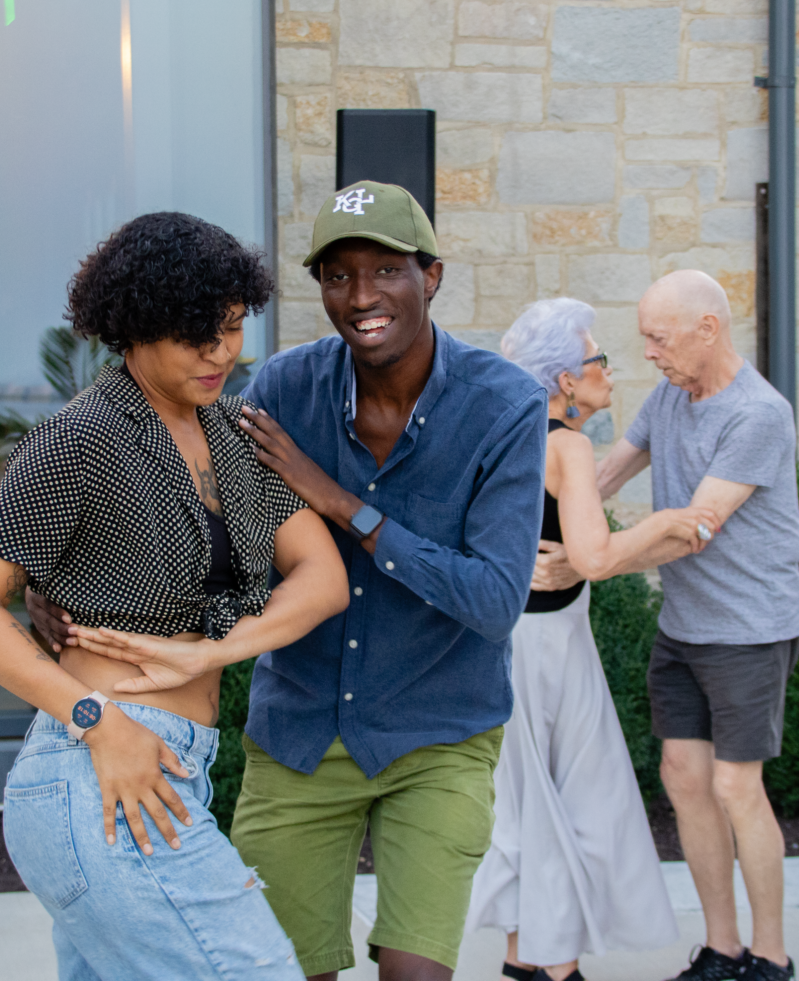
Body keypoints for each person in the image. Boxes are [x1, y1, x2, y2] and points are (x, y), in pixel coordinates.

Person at [30, 181, 549, 981]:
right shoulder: (280, 391)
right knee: (276, 969)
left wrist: (342, 503)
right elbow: (199, 524)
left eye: (386, 270)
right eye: (338, 276)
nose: (362, 295)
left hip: (441, 730)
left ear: (432, 276)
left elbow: (493, 600)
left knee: (416, 973)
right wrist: (65, 576)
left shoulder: (505, 405)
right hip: (301, 731)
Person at [0, 212, 349, 981]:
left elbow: (322, 578)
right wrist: (99, 724)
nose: (221, 352)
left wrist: (224, 645)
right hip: (100, 767)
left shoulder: (232, 433)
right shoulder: (80, 438)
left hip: (174, 768)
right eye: (198, 335)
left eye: (230, 329)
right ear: (135, 326)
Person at [467, 297, 719, 981]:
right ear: (565, 381)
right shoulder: (568, 444)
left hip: (511, 637)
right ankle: (554, 968)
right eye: (597, 357)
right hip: (547, 645)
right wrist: (671, 523)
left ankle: (527, 959)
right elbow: (598, 555)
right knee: (574, 799)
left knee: (529, 799)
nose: (610, 367)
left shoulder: (499, 434)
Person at [596, 270, 799, 981]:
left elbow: (694, 530)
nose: (649, 352)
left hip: (750, 628)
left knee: (735, 786)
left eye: (658, 337)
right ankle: (722, 947)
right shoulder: (669, 397)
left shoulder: (757, 413)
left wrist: (588, 562)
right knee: (684, 776)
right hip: (685, 626)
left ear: (707, 329)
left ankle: (771, 956)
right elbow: (602, 475)